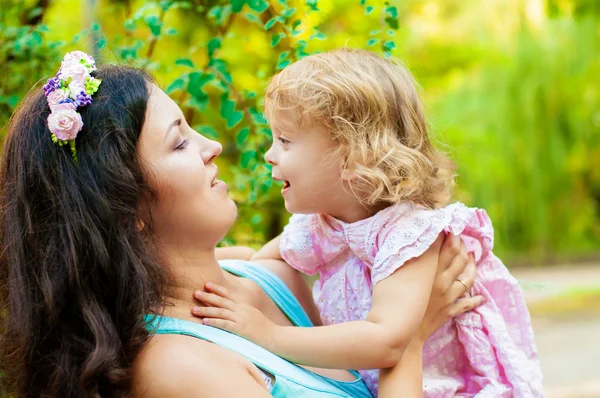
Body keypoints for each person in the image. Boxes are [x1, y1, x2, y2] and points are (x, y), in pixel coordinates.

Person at [0, 51, 483, 397]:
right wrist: (411, 341)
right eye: (180, 143)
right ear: (131, 211)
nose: (212, 145)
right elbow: (390, 340)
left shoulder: (270, 278)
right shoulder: (179, 369)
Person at [191, 48, 544, 397]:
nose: (270, 154)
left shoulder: (409, 234)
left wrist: (267, 334)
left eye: (285, 140)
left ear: (352, 155)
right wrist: (191, 259)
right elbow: (263, 261)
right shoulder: (321, 225)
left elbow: (386, 342)